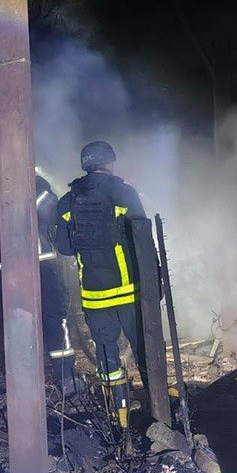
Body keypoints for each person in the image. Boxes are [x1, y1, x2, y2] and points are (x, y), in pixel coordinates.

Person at [54, 141, 147, 426]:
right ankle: (156, 403)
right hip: (129, 291)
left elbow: (65, 248)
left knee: (106, 352)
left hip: (95, 295)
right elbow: (143, 238)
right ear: (110, 163)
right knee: (143, 345)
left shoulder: (67, 201)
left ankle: (118, 415)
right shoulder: (124, 193)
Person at [0, 172, 76, 393]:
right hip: (41, 265)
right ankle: (65, 376)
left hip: (8, 271)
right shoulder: (36, 187)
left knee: (18, 323)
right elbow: (53, 214)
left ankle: (23, 382)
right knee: (54, 318)